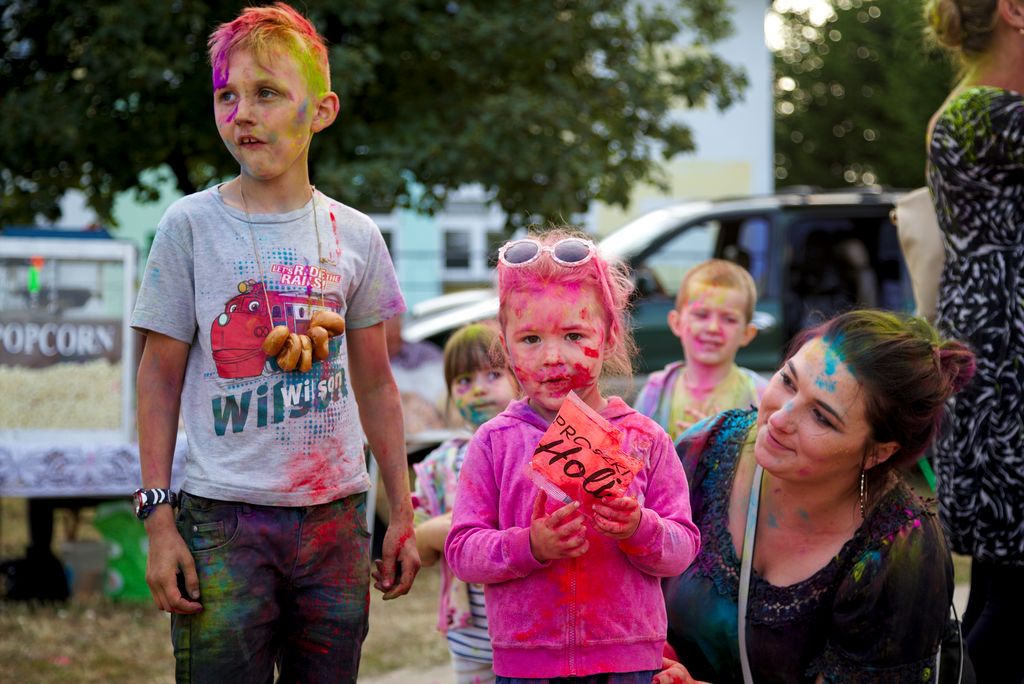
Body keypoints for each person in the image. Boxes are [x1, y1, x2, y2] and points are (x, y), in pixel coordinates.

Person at [130, 4, 419, 681]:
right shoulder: (189, 227)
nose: (242, 114)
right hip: (223, 519)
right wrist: (158, 520)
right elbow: (158, 377)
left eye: (266, 93)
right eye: (226, 96)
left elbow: (376, 384)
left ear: (321, 110)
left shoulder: (355, 236)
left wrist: (402, 513)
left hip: (336, 521)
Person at [661, 309, 975, 683]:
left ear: (878, 453)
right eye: (788, 381)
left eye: (822, 417)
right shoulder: (703, 453)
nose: (780, 419)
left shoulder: (897, 553)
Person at [444, 230, 701, 683]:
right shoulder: (494, 442)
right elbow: (462, 551)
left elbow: (682, 548)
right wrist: (529, 546)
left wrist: (640, 528)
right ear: (505, 345)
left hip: (627, 661)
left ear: (609, 337)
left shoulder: (645, 439)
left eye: (574, 334)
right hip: (528, 664)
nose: (552, 357)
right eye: (530, 339)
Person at [925, 2, 1024, 681]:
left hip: (986, 350)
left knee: (999, 581)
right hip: (1008, 360)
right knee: (1010, 598)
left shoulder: (963, 108)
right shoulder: (993, 116)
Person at [412, 322, 517, 684]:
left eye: (493, 374)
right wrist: (444, 532)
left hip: (533, 633)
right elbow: (417, 549)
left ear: (519, 377)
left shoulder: (538, 449)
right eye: (464, 380)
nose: (478, 389)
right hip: (471, 640)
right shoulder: (438, 466)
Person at [634, 258, 766, 441]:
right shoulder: (656, 393)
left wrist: (719, 446)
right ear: (676, 323)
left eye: (729, 319)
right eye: (701, 315)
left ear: (747, 333)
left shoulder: (759, 396)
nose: (713, 328)